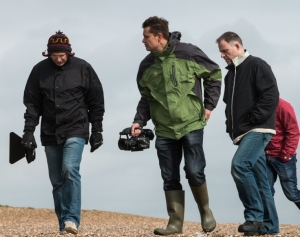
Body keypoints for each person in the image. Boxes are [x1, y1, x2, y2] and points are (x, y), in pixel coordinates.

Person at [131, 16, 222, 235]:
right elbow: (146, 98)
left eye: (146, 36)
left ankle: (205, 211)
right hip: (163, 129)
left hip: (191, 123)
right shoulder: (146, 66)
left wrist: (209, 106)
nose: (142, 41)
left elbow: (214, 74)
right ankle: (175, 223)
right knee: (169, 175)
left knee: (194, 170)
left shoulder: (188, 52)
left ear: (159, 36)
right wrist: (138, 121)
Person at [21, 31, 105, 234]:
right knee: (57, 180)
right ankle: (63, 225)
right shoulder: (39, 71)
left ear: (69, 52)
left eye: (62, 55)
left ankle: (71, 220)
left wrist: (97, 130)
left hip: (76, 128)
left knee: (69, 169)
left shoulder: (83, 68)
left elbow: (96, 101)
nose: (58, 59)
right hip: (50, 131)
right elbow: (32, 104)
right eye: (54, 56)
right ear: (48, 54)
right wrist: (28, 132)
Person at [216, 31, 280, 236]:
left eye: (224, 50)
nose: (222, 55)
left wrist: (253, 119)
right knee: (261, 181)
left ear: (237, 46)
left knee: (240, 165)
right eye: (220, 51)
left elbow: (271, 95)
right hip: (243, 132)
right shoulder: (230, 74)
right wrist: (230, 127)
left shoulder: (256, 64)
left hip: (258, 129)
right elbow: (229, 106)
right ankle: (270, 228)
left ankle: (254, 217)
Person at [265, 98, 300, 209]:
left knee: (292, 193)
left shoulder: (283, 106)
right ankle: (269, 225)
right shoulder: (258, 105)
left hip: (283, 157)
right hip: (264, 156)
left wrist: (286, 154)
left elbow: (293, 131)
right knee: (265, 192)